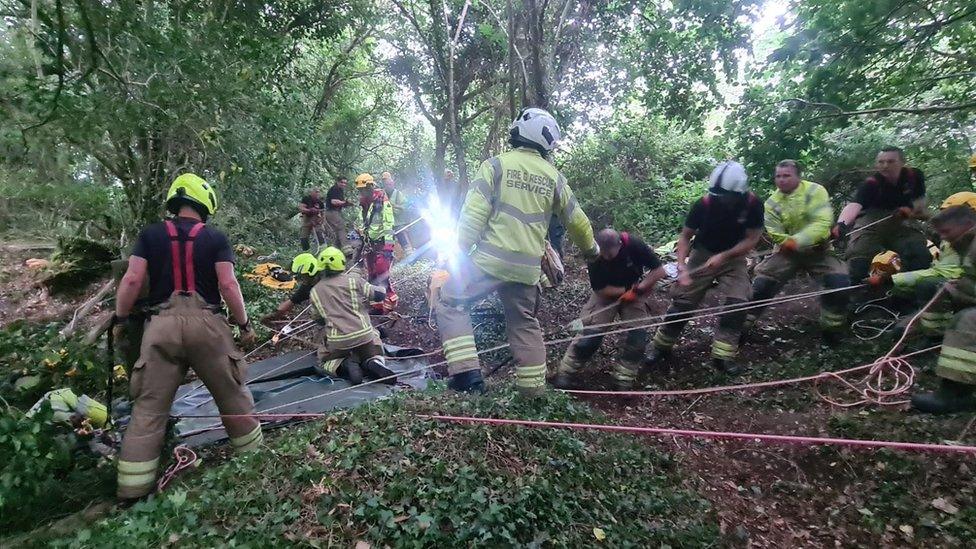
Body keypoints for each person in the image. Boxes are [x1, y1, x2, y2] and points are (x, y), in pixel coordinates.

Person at [112, 173, 261, 500]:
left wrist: (121, 319)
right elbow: (228, 285)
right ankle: (256, 463)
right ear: (205, 204)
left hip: (161, 325)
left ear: (175, 202)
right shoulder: (216, 238)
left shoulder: (150, 235)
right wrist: (245, 324)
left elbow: (133, 280)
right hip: (208, 325)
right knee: (232, 396)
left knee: (149, 409)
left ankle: (132, 492)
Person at [435, 107, 599, 396]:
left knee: (450, 301)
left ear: (521, 130)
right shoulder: (553, 176)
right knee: (524, 323)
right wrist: (592, 251)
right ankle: (533, 392)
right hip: (526, 270)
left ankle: (466, 376)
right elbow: (578, 221)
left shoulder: (495, 166)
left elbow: (472, 216)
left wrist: (456, 252)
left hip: (490, 262)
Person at [645, 161, 763, 375]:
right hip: (702, 254)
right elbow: (685, 236)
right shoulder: (705, 204)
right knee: (683, 302)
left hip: (734, 256)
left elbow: (752, 238)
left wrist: (725, 256)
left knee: (737, 302)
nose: (720, 199)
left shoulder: (753, 204)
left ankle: (722, 356)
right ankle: (660, 347)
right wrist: (682, 266)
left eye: (725, 195)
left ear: (738, 193)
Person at [745, 160, 850, 342]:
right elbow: (774, 231)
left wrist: (798, 240)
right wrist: (787, 242)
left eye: (786, 175)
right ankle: (741, 329)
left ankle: (832, 331)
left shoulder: (816, 191)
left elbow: (822, 222)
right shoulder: (771, 203)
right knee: (761, 286)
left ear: (798, 176)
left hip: (820, 250)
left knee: (838, 283)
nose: (782, 180)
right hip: (786, 252)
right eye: (778, 176)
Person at [553, 228, 666, 390]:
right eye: (603, 254)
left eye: (610, 255)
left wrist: (638, 289)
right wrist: (624, 291)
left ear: (619, 245)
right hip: (606, 295)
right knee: (589, 336)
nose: (606, 257)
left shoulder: (634, 245)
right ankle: (566, 373)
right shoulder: (593, 254)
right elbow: (600, 289)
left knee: (637, 335)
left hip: (634, 290)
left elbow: (659, 271)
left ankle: (624, 377)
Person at [831, 146, 931, 287]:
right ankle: (858, 296)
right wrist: (841, 224)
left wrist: (911, 211)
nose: (885, 166)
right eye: (881, 162)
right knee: (858, 257)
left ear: (902, 162)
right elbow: (855, 205)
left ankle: (908, 292)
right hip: (871, 222)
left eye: (891, 161)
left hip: (901, 222)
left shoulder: (914, 176)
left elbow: (920, 202)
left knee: (918, 253)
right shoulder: (871, 183)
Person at [874, 203, 976, 339]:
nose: (942, 236)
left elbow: (947, 272)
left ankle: (936, 337)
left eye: (946, 231)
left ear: (967, 223)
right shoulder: (962, 241)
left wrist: (890, 279)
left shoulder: (969, 246)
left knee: (932, 288)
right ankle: (931, 333)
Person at [910, 205, 976, 414]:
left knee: (967, 320)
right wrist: (959, 285)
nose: (944, 239)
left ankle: (956, 394)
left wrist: (963, 290)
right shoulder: (966, 243)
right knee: (936, 289)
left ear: (967, 225)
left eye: (946, 232)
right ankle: (935, 343)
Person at [310, 247, 394, 384]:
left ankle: (343, 365)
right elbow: (378, 295)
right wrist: (383, 286)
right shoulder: (353, 280)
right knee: (374, 340)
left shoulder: (315, 291)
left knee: (323, 357)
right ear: (342, 263)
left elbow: (318, 319)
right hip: (364, 334)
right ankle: (374, 361)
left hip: (339, 341)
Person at [260, 253, 321, 326]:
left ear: (310, 273)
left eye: (302, 276)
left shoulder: (328, 283)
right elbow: (293, 300)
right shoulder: (308, 285)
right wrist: (275, 315)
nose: (302, 280)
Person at [364, 184, 397, 313]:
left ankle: (391, 303)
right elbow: (368, 223)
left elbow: (388, 225)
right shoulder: (371, 203)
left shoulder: (383, 203)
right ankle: (377, 305)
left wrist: (388, 247)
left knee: (382, 275)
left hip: (382, 245)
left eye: (363, 190)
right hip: (372, 245)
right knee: (372, 275)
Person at [382, 171, 413, 254]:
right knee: (388, 242)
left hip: (398, 222)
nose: (388, 186)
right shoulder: (381, 194)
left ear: (393, 184)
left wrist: (394, 206)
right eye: (386, 184)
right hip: (387, 224)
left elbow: (405, 207)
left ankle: (409, 255)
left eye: (390, 184)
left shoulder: (398, 194)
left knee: (403, 238)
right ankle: (389, 258)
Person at [324, 177, 352, 253]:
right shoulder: (335, 189)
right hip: (332, 212)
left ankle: (336, 250)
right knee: (341, 227)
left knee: (335, 232)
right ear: (337, 182)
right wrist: (344, 203)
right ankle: (347, 250)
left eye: (345, 183)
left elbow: (340, 203)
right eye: (342, 182)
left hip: (334, 212)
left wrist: (347, 204)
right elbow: (333, 201)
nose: (343, 184)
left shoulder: (340, 190)